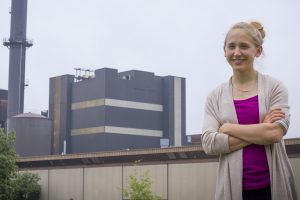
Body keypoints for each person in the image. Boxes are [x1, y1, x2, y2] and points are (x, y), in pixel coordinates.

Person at [201, 21, 298, 200]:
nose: (237, 52)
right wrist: (261, 127)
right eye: (231, 46)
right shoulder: (214, 97)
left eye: (244, 46)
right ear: (225, 51)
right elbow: (209, 143)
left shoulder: (275, 87)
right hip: (232, 189)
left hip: (273, 187)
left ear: (258, 51)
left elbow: (275, 133)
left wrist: (229, 128)